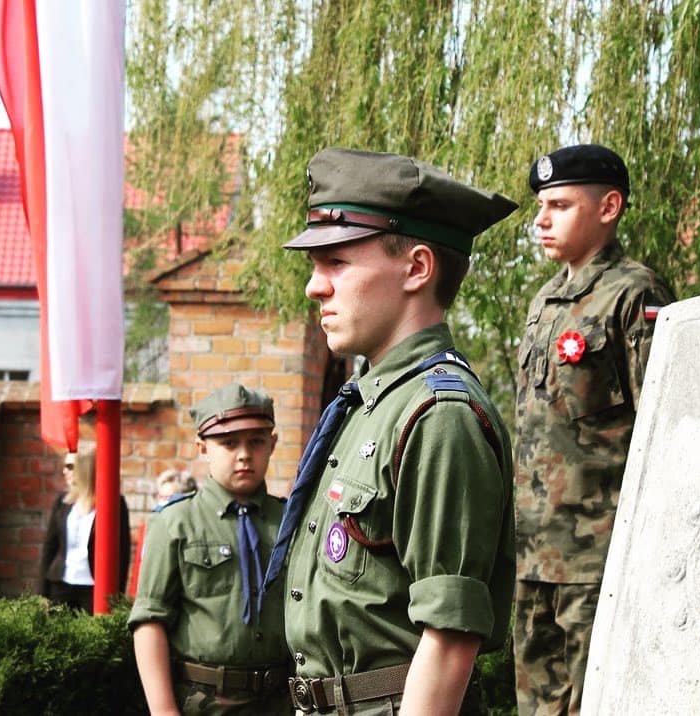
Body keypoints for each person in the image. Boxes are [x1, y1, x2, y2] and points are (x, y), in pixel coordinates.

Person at [263, 147, 518, 715]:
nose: (314, 287)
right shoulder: (372, 404)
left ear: (417, 267)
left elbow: (448, 640)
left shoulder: (438, 414)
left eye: (336, 262)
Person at [513, 144, 676, 715]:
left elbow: (663, 426)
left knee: (600, 703)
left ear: (608, 207)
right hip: (535, 554)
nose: (541, 220)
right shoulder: (544, 302)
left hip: (597, 558)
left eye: (559, 206)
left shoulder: (636, 294)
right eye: (541, 207)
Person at [130, 383, 291, 715]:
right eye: (228, 443)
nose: (244, 454)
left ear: (272, 444)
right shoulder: (175, 522)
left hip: (281, 701)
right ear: (202, 447)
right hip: (203, 701)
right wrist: (164, 711)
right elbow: (150, 620)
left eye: (256, 441)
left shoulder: (292, 521)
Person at [39, 441, 132, 613]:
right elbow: (49, 548)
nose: (64, 471)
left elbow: (122, 553)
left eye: (70, 466)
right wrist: (41, 592)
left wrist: (116, 598)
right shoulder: (63, 501)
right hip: (60, 585)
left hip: (94, 589)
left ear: (85, 468)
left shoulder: (114, 503)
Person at [129, 470, 200, 599]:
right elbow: (139, 568)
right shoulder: (148, 525)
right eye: (160, 497)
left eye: (168, 498)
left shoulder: (193, 529)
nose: (162, 502)